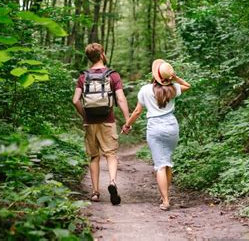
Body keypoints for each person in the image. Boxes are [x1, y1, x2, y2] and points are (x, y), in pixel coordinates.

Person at [122, 59, 191, 211]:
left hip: (155, 128)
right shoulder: (173, 88)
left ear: (155, 75)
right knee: (167, 162)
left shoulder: (145, 90)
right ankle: (165, 194)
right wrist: (175, 78)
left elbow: (137, 111)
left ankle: (165, 201)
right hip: (172, 127)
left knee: (160, 164)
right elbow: (187, 85)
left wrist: (127, 125)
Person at [72, 43, 130, 205]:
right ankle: (111, 182)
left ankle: (95, 192)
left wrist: (85, 115)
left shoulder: (83, 77)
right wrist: (127, 120)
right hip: (108, 120)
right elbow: (120, 99)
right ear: (102, 54)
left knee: (94, 157)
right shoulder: (112, 75)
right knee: (110, 154)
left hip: (90, 123)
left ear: (89, 58)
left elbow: (75, 100)